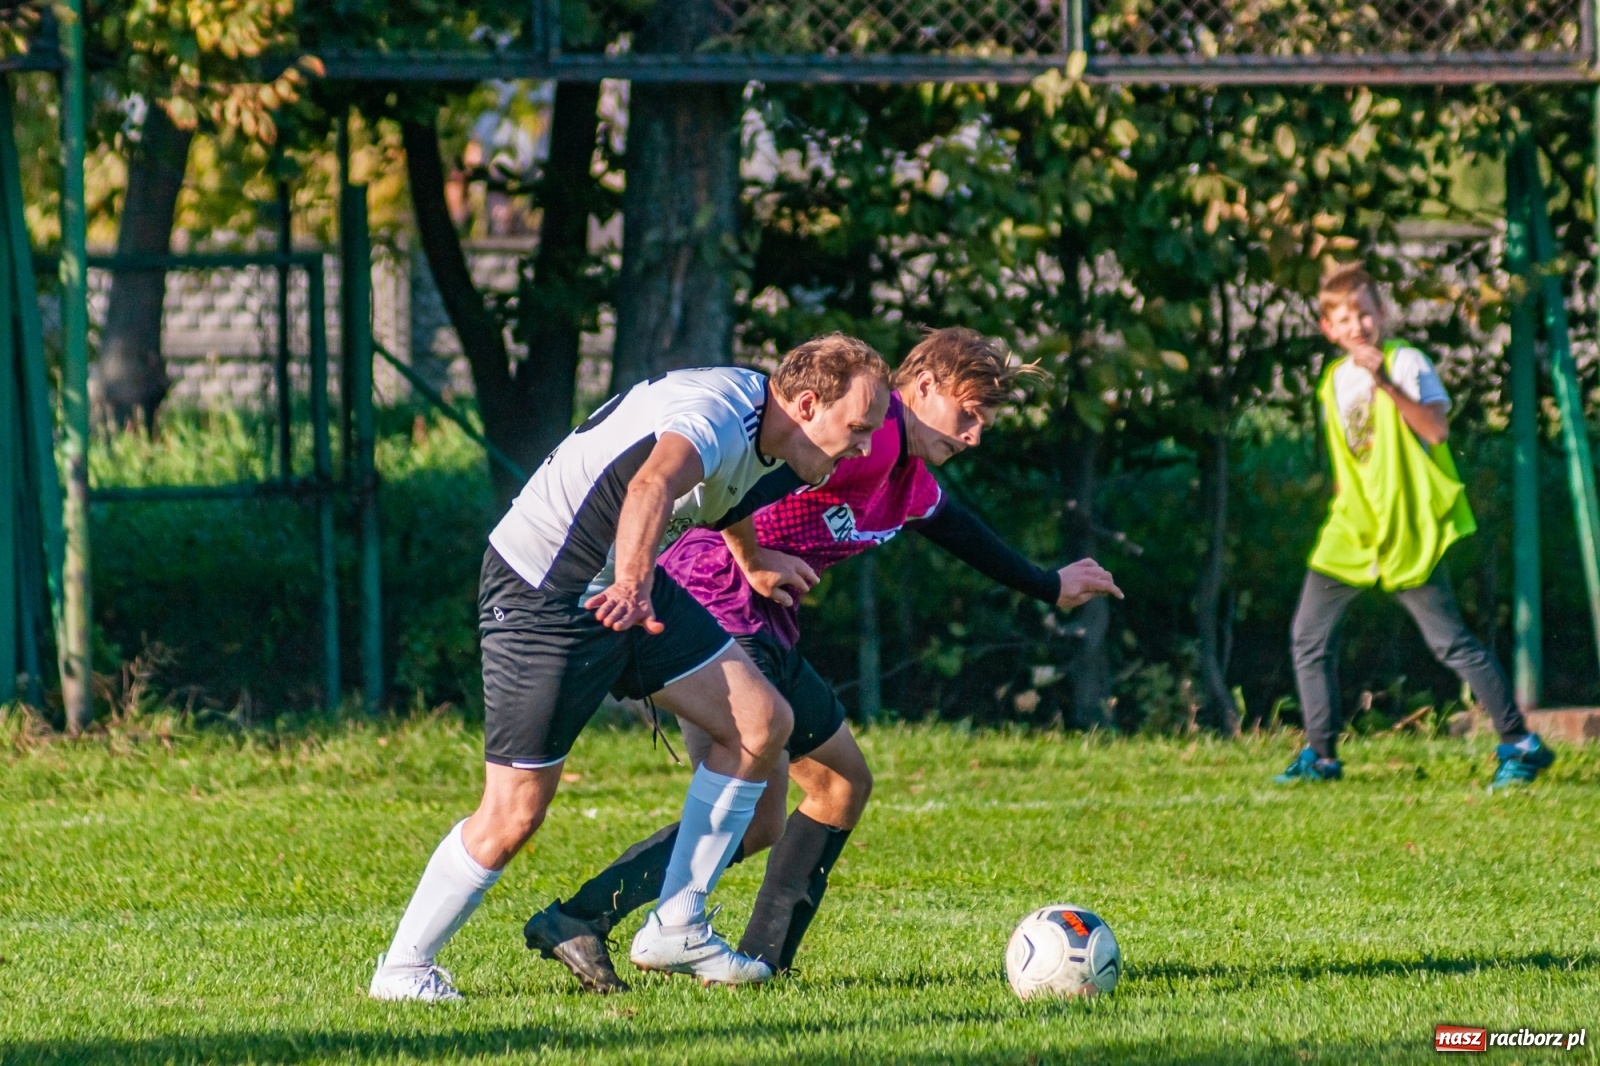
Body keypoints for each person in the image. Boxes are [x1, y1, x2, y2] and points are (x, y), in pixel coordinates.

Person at [522, 327, 1122, 993]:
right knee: (764, 808)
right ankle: (584, 919)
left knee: (836, 786)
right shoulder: (873, 438)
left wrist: (1048, 583)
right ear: (921, 388)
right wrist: (749, 555)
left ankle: (758, 964)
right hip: (711, 597)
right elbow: (741, 466)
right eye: (968, 413)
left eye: (985, 421)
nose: (975, 434)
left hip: (764, 621)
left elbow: (963, 533)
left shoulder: (906, 475)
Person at [369, 336, 892, 1001]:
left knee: (763, 724)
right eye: (859, 428)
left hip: (628, 582)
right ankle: (404, 967)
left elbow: (728, 495)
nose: (866, 447)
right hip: (546, 590)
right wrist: (635, 581)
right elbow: (653, 481)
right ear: (810, 404)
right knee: (513, 812)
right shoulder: (716, 416)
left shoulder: (778, 431)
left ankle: (677, 924)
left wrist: (752, 561)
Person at [1276, 263, 1553, 790]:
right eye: (1344, 318)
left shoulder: (1408, 363)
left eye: (1364, 312)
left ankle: (1521, 743)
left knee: (1451, 644)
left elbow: (1436, 428)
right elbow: (1350, 463)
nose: (1357, 324)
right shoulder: (1333, 380)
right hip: (1354, 530)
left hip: (1406, 526)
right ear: (1328, 329)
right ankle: (1321, 755)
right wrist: (1341, 510)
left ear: (1382, 314)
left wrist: (1384, 383)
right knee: (1308, 638)